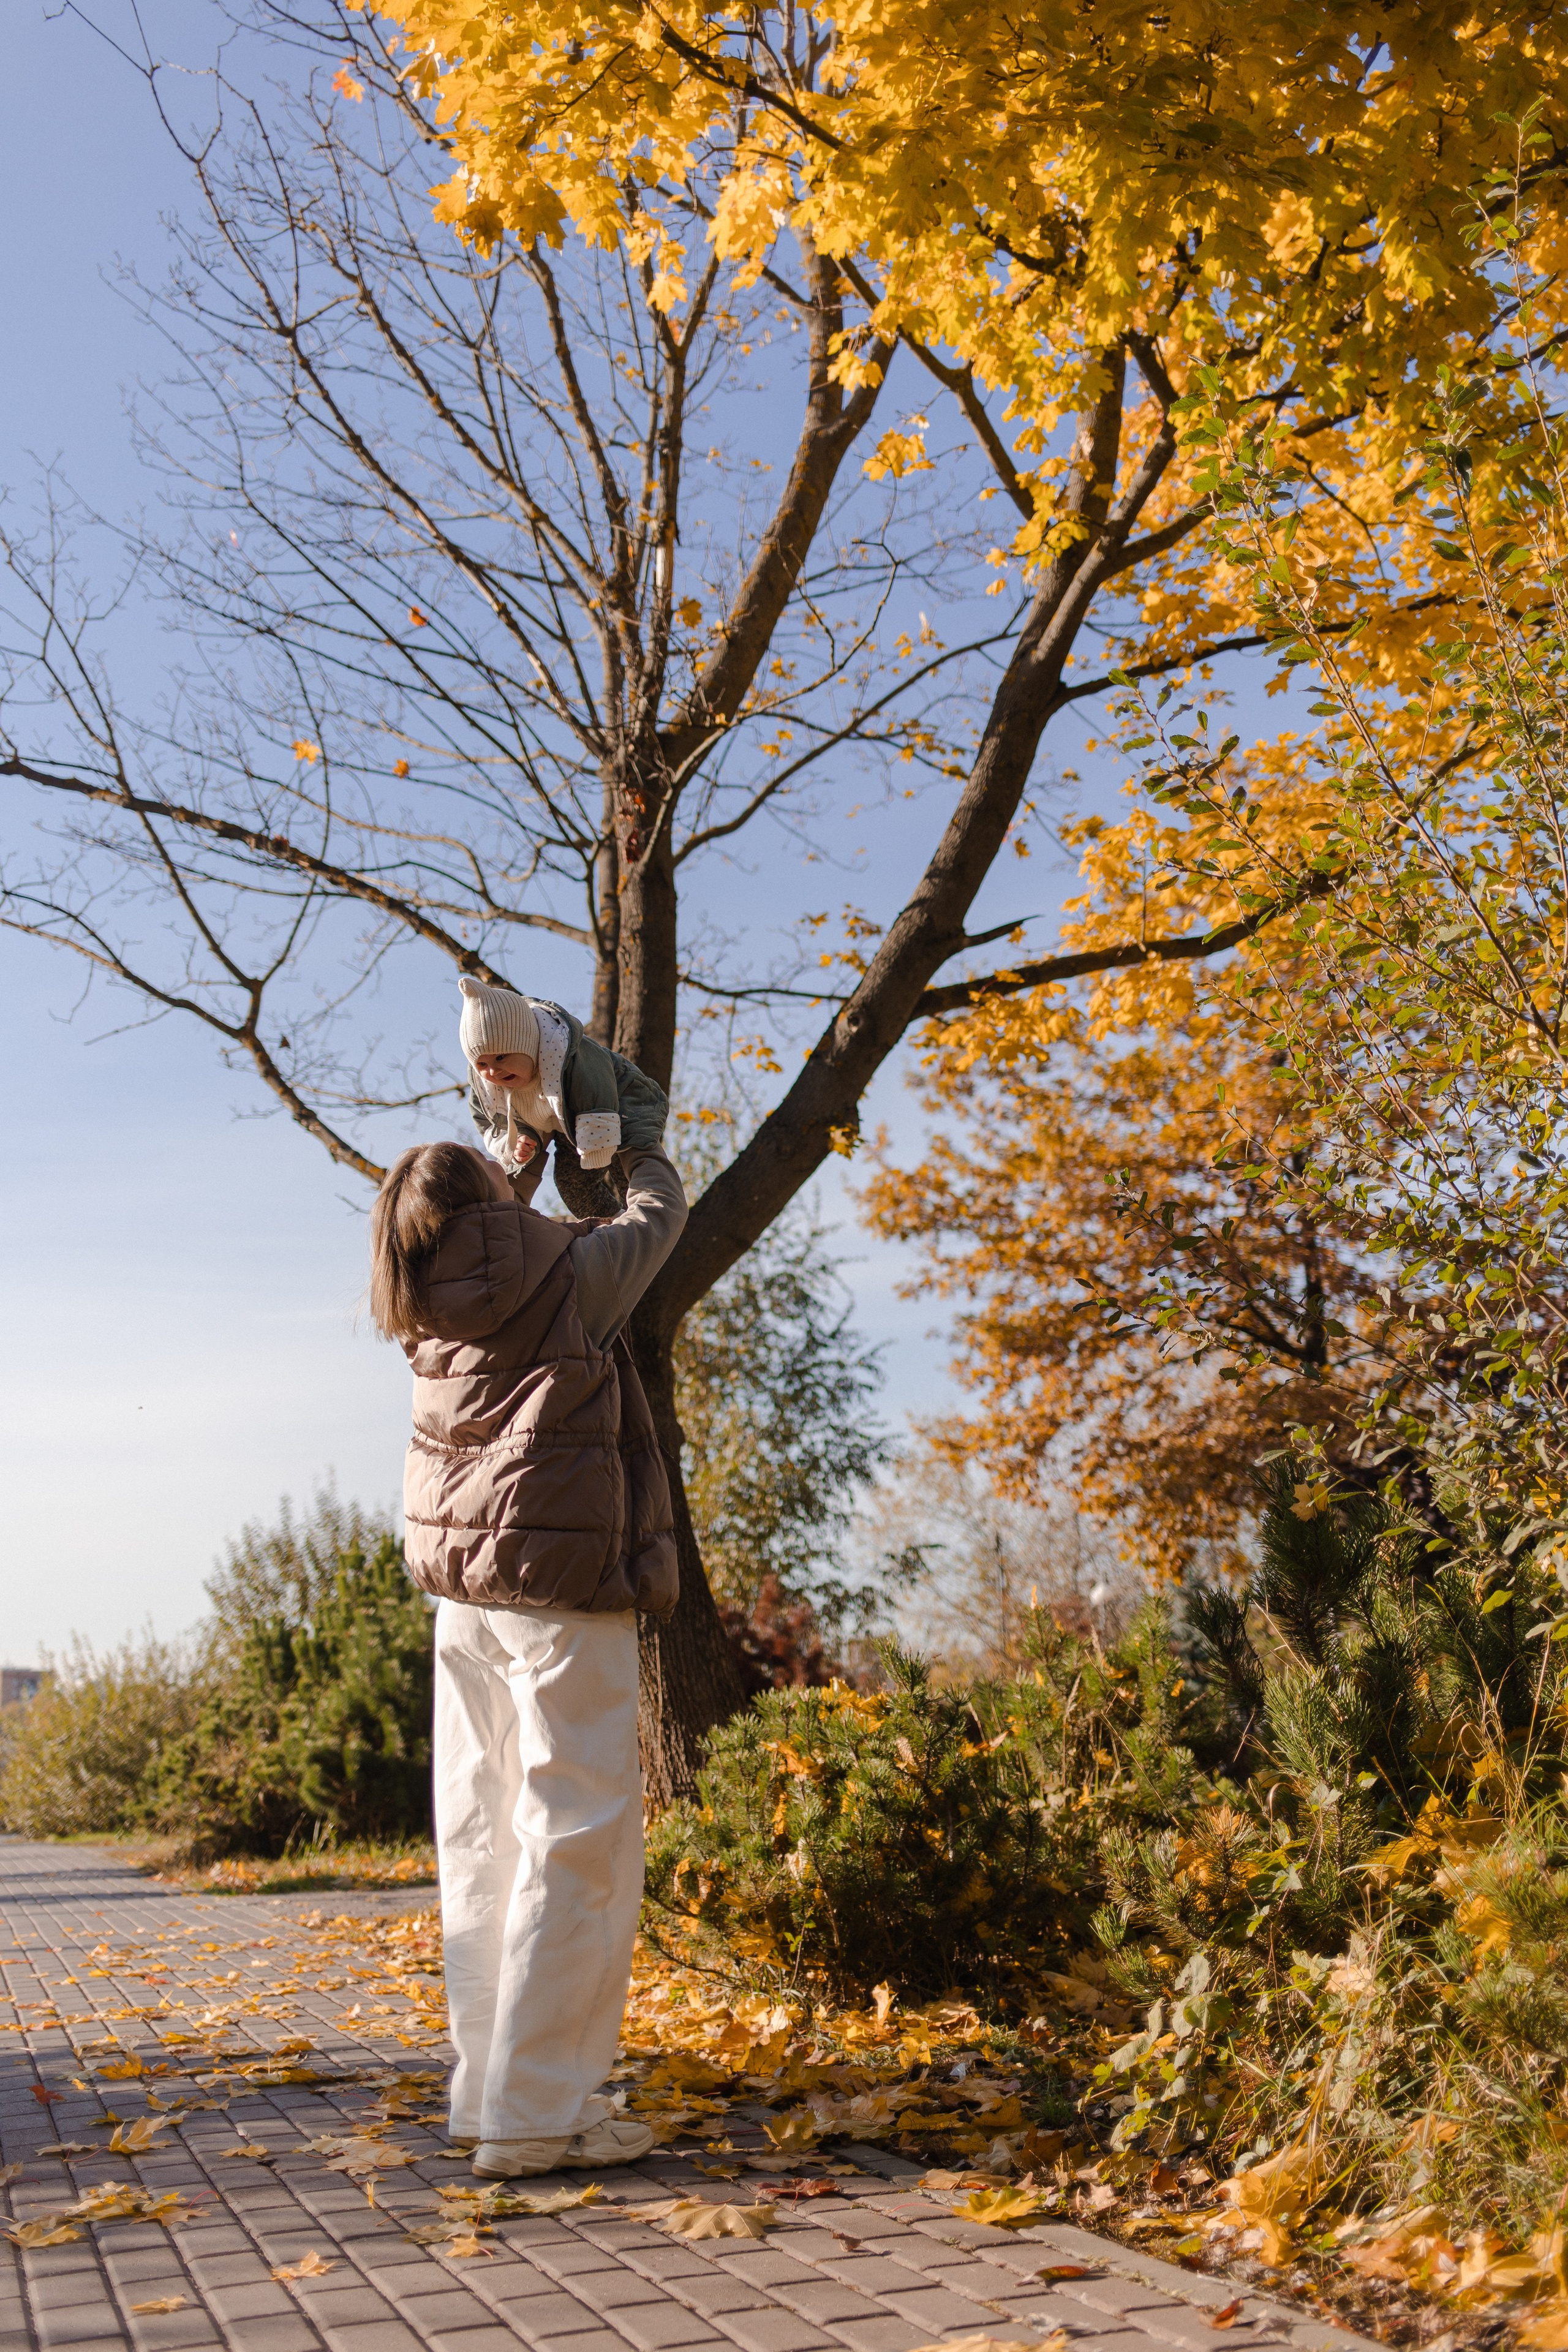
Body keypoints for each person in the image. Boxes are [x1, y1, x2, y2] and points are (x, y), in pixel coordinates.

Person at [369, 1128, 687, 2179]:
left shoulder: (417, 1297)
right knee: (574, 1840)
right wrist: (636, 1145)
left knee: (479, 1844)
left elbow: (496, 1243)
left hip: (462, 1603)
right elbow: (660, 1217)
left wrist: (519, 1173)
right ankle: (543, 2110)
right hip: (562, 1594)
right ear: (492, 1202)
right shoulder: (571, 1276)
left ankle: (489, 2095)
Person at [457, 972, 669, 1179]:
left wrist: (597, 1149)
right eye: (482, 1064)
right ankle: (611, 1216)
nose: (493, 1071)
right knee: (571, 1180)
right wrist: (520, 1139)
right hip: (568, 1125)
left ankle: (647, 1205)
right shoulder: (489, 1089)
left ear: (528, 1046)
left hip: (618, 1107)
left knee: (624, 1165)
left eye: (501, 1057)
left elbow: (596, 1087)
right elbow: (490, 1121)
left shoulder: (566, 1056)